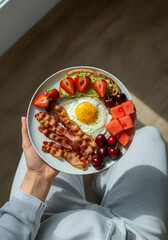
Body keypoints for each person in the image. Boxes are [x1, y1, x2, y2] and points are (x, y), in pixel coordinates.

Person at [0, 116, 167, 240]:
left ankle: (102, 181)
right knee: (148, 137)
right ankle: (104, 181)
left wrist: (38, 176)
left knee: (44, 145)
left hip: (41, 220)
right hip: (129, 233)